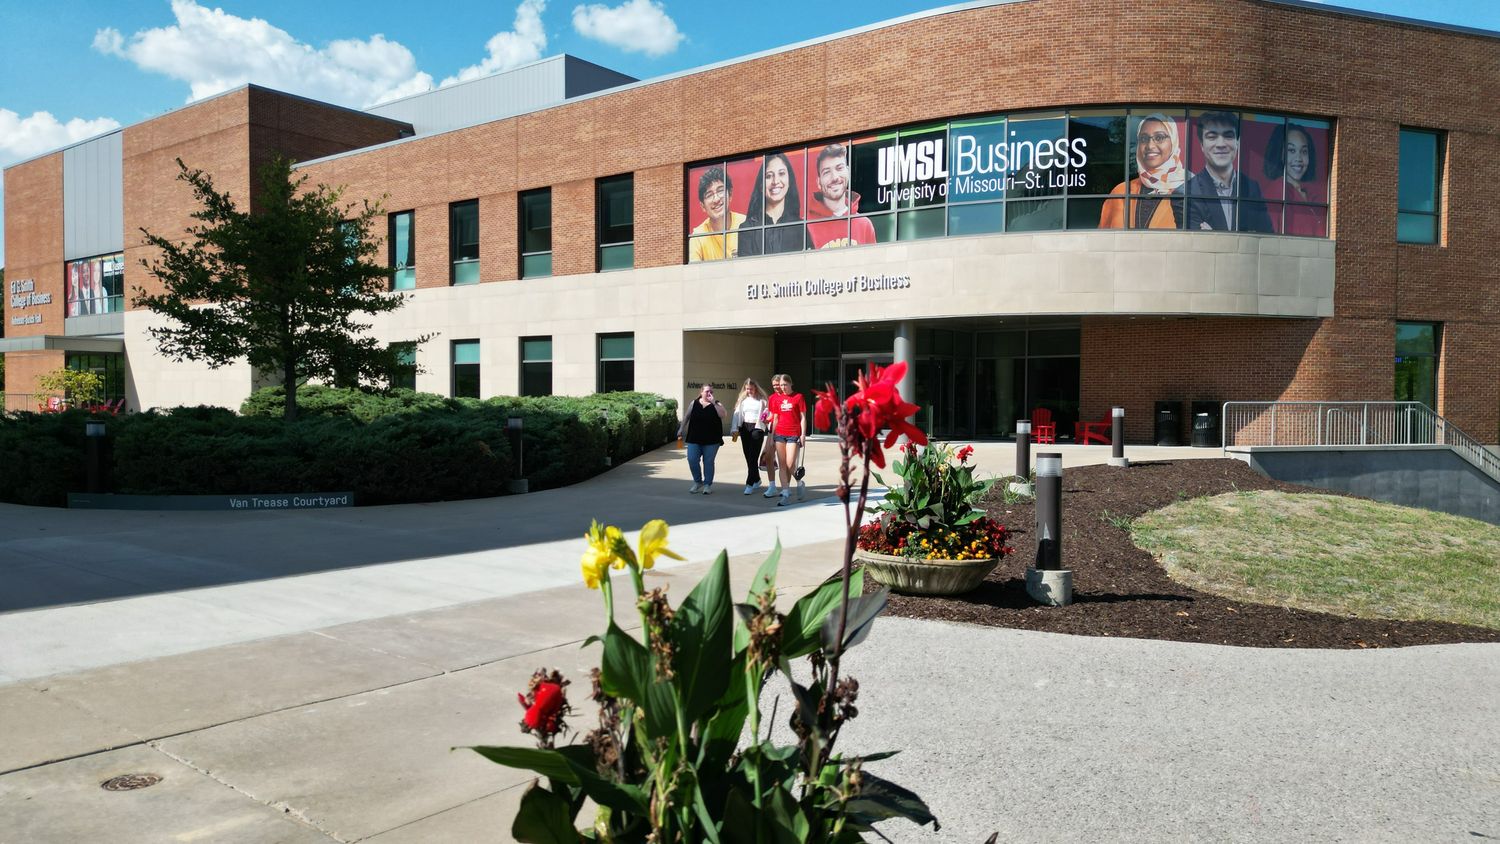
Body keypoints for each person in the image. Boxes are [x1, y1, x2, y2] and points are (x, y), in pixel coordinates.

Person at [1185, 111, 1273, 233]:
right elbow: (1195, 245)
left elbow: (1266, 238)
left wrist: (1214, 233)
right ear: (1201, 145)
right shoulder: (1186, 192)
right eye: (1212, 137)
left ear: (1237, 142)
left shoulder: (1252, 188)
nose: (1221, 144)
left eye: (1228, 136)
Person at [1099, 113, 1185, 229]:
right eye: (1144, 138)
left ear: (1173, 142)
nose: (1150, 145)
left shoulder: (1190, 189)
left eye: (1159, 138)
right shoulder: (1121, 192)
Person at [806, 143, 878, 248]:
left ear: (848, 172)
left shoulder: (864, 225)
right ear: (818, 182)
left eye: (839, 168)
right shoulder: (804, 224)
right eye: (826, 172)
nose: (835, 177)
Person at [1263, 123, 1327, 237]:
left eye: (1304, 151)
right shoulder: (1277, 192)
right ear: (1280, 154)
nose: (1299, 159)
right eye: (1291, 150)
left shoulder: (1313, 194)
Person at [738, 152, 805, 256]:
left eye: (781, 174)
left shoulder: (800, 227)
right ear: (761, 185)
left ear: (789, 180)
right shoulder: (747, 228)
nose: (775, 181)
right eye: (769, 176)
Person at [765, 373, 806, 506]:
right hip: (779, 434)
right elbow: (775, 418)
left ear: (790, 384)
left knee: (790, 464)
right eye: (781, 385)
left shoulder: (798, 397)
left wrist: (803, 435)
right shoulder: (776, 399)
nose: (783, 387)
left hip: (793, 434)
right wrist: (771, 436)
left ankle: (799, 482)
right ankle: (785, 493)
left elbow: (803, 418)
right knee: (782, 465)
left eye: (785, 385)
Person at [688, 166, 745, 262]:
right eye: (709, 195)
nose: (716, 199)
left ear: (730, 194)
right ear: (702, 206)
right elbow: (694, 273)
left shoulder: (746, 224)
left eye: (720, 191)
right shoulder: (698, 236)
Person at [678, 384, 727, 494]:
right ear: (701, 392)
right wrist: (681, 429)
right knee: (692, 459)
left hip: (712, 439)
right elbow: (686, 417)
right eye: (707, 391)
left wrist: (714, 403)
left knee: (708, 462)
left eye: (711, 392)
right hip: (694, 438)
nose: (709, 393)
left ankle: (707, 485)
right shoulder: (694, 403)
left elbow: (723, 415)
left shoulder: (717, 404)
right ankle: (697, 482)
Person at [732, 378, 770, 495]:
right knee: (748, 456)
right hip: (745, 428)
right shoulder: (742, 400)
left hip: (757, 428)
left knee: (753, 456)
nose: (749, 391)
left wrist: (770, 428)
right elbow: (736, 414)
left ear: (756, 388)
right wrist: (734, 429)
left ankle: (749, 483)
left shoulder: (762, 401)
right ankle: (757, 479)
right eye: (747, 389)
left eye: (751, 389)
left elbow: (768, 414)